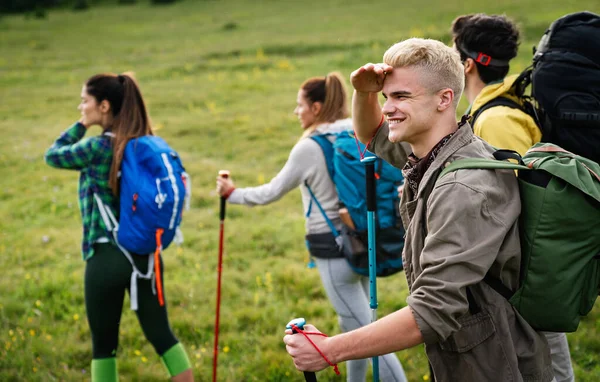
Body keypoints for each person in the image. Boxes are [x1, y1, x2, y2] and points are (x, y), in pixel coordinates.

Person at [283, 38, 555, 382]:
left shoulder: (463, 187)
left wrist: (329, 350)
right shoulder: (439, 153)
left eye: (401, 97)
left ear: (444, 99)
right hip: (473, 352)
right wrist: (364, 92)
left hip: (497, 363)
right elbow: (371, 134)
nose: (389, 108)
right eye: (386, 97)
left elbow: (432, 310)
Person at [216, 72, 407, 382]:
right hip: (365, 242)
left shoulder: (309, 147)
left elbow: (271, 192)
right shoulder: (359, 132)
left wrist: (232, 194)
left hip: (333, 251)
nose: (296, 112)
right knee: (354, 328)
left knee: (369, 338)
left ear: (317, 108)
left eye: (300, 105)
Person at [45, 73, 193, 382]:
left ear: (104, 106)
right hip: (145, 257)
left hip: (105, 257)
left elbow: (53, 155)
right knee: (163, 336)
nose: (80, 106)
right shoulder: (142, 144)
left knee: (104, 347)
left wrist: (82, 125)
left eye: (85, 101)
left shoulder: (98, 148)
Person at [451, 14, 573, 382]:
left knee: (551, 372)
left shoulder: (496, 120)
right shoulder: (494, 109)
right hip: (516, 274)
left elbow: (525, 197)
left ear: (467, 64)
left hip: (524, 276)